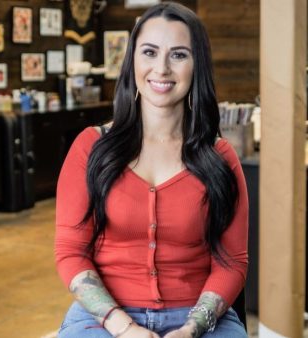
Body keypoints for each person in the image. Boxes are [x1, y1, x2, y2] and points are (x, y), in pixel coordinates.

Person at [54, 2, 248, 338]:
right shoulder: (91, 147)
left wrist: (191, 329)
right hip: (104, 318)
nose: (161, 68)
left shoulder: (220, 156)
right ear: (132, 62)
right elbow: (70, 252)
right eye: (149, 52)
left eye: (178, 55)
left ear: (196, 65)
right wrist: (124, 327)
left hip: (198, 315)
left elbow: (232, 262)